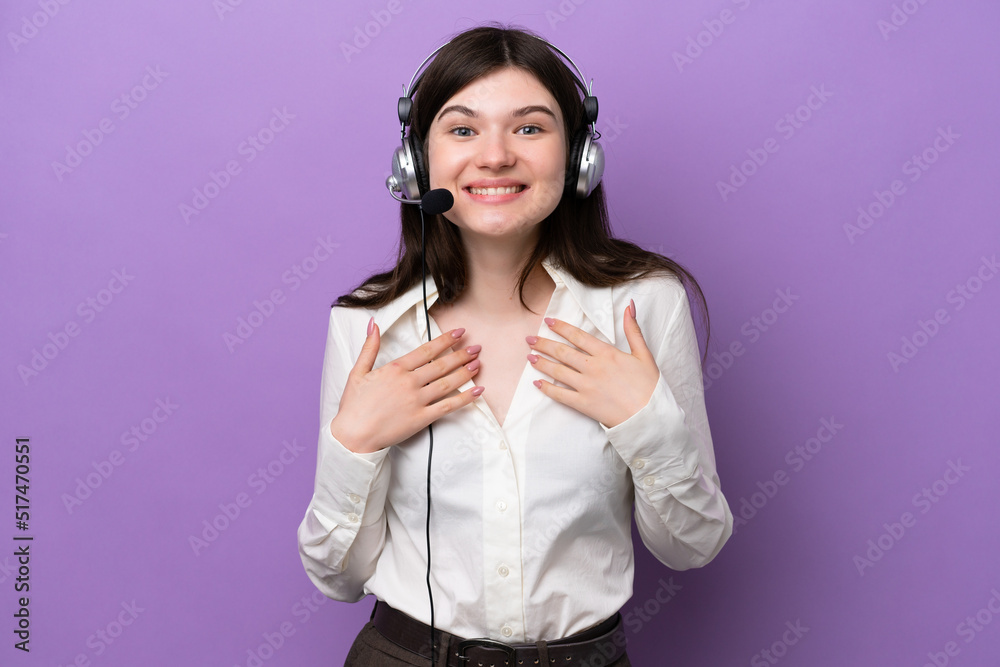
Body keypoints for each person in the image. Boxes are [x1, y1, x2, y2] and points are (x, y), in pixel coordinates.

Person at [297, 23, 733, 667]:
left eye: (529, 128)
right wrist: (353, 445)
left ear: (579, 154)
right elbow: (335, 580)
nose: (495, 155)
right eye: (463, 129)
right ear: (417, 161)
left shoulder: (643, 305)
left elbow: (691, 547)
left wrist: (647, 425)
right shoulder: (367, 325)